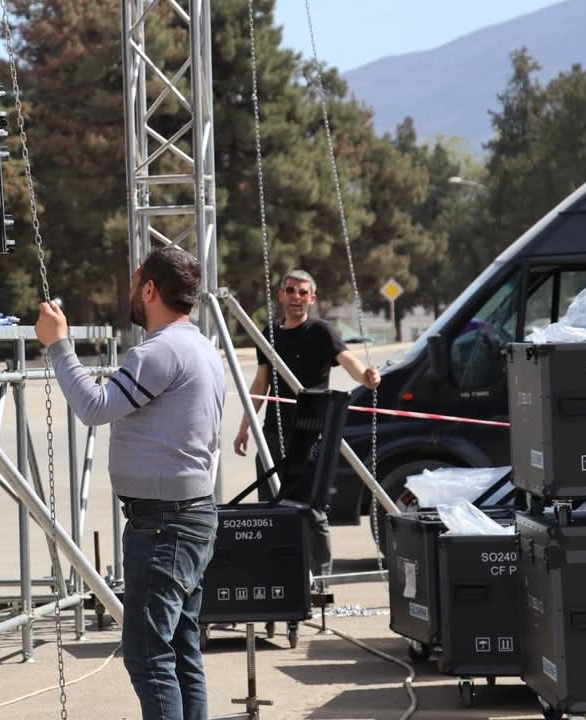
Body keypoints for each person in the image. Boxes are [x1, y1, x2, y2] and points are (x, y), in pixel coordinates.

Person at [35, 246, 225, 720]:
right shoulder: (201, 346)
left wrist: (58, 345)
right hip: (186, 516)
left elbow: (94, 408)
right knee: (180, 648)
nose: (130, 292)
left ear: (150, 289)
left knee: (147, 654)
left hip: (165, 524)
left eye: (134, 282)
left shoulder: (160, 351)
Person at [233, 269, 380, 583]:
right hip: (274, 435)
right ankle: (277, 578)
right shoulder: (270, 334)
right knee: (271, 510)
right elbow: (260, 383)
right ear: (281, 295)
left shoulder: (321, 332)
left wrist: (367, 377)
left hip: (312, 437)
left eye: (303, 292)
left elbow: (349, 361)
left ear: (312, 298)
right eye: (290, 290)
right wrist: (245, 426)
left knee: (313, 510)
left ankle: (320, 582)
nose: (296, 297)